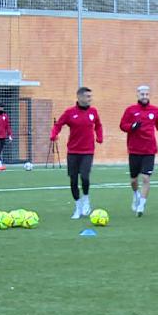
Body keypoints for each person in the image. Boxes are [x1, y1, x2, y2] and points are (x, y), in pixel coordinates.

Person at [50, 87, 104, 219]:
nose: (90, 99)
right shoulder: (70, 112)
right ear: (79, 97)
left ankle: (86, 199)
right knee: (73, 180)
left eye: (90, 96)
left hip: (88, 151)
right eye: (87, 96)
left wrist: (99, 136)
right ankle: (78, 206)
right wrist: (54, 134)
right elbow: (58, 125)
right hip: (73, 151)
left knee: (85, 176)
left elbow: (98, 125)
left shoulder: (93, 111)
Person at [119, 85, 158, 217]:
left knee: (146, 177)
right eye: (142, 94)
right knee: (134, 180)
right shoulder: (130, 110)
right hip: (134, 149)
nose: (144, 96)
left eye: (146, 94)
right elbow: (122, 125)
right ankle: (136, 194)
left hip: (149, 150)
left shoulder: (155, 110)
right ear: (137, 95)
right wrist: (132, 126)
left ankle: (141, 205)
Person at [0, 103, 12, 171]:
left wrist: (9, 135)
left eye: (2, 108)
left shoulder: (5, 116)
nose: (1, 109)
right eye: (0, 107)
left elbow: (7, 126)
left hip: (3, 136)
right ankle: (0, 164)